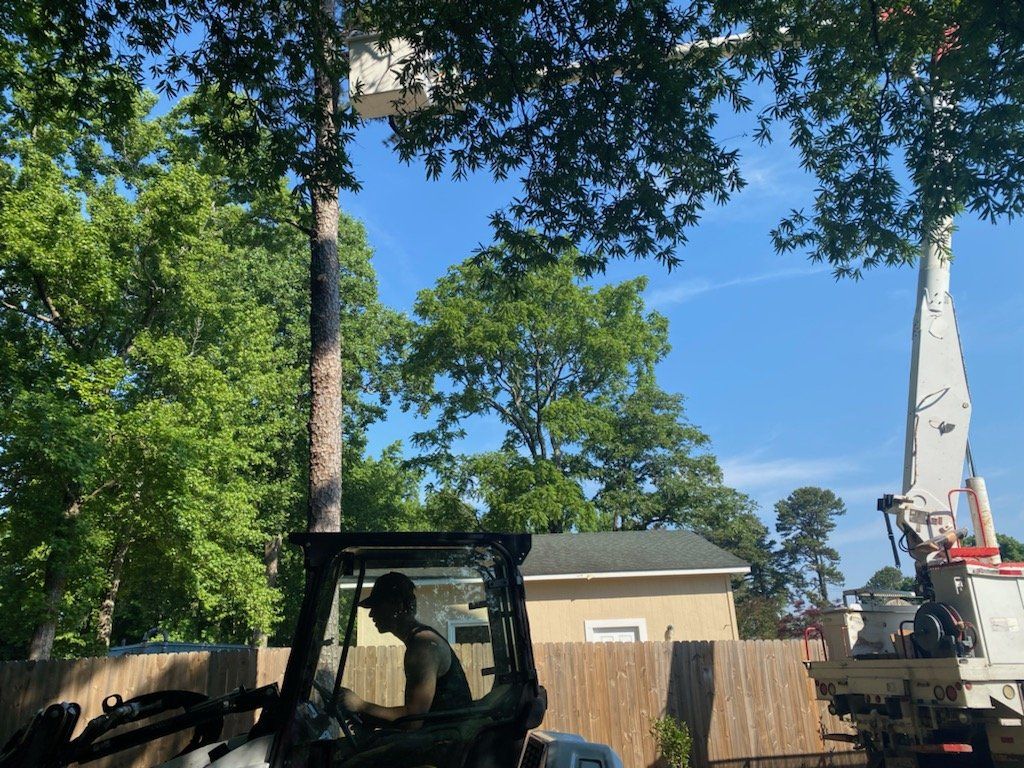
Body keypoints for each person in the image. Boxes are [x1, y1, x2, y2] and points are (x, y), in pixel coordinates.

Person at [339, 571, 472, 727]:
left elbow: (413, 721)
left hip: (449, 738)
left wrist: (360, 705)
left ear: (398, 606)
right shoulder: (420, 640)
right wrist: (370, 719)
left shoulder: (423, 647)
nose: (371, 614)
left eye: (377, 606)